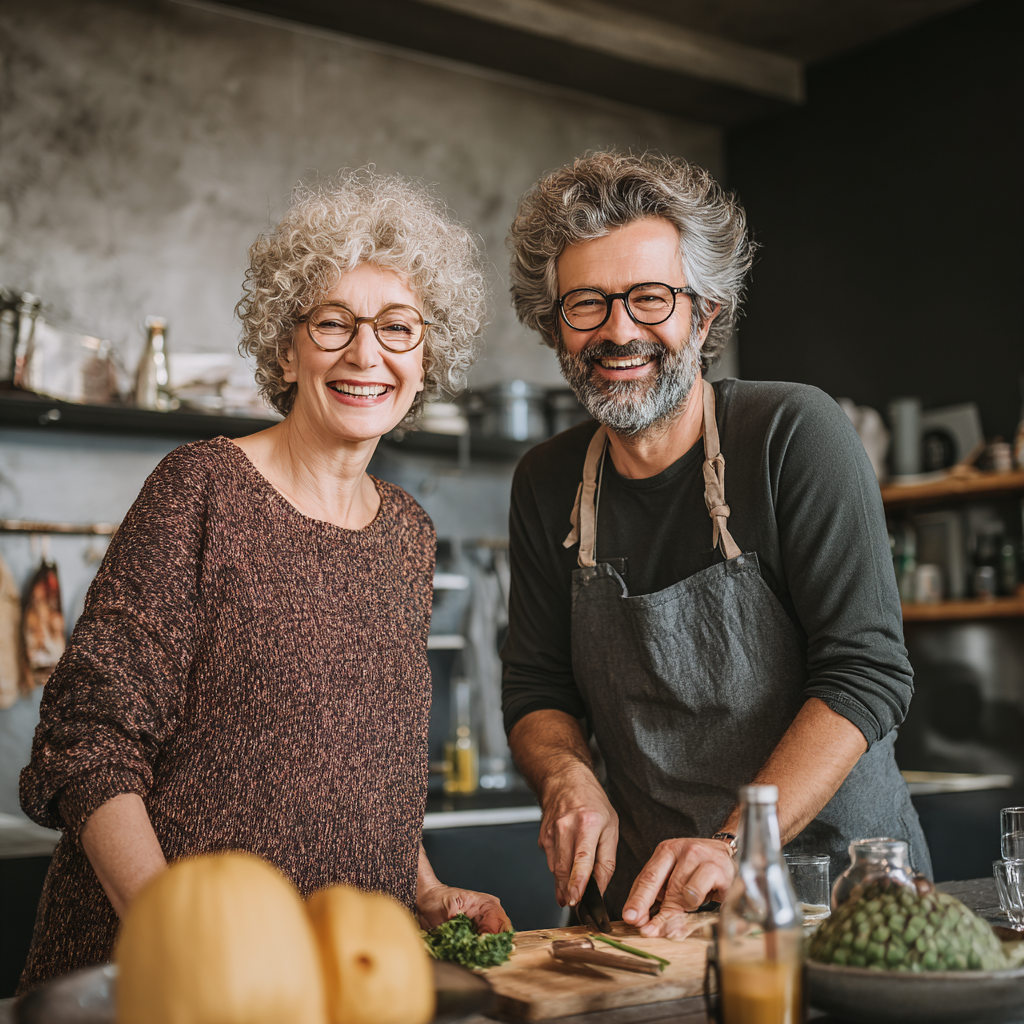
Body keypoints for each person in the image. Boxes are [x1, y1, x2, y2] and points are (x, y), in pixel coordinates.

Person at [19, 169, 508, 991]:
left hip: (326, 981)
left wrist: (423, 889)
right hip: (158, 977)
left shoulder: (408, 534)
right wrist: (170, 932)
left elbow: (365, 760)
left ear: (427, 361)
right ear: (286, 346)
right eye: (334, 323)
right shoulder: (201, 489)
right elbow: (86, 739)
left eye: (399, 329)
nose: (367, 354)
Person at [501, 151, 931, 938]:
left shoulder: (794, 434)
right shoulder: (545, 481)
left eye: (650, 299)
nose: (618, 330)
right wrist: (567, 775)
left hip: (833, 904)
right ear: (553, 324)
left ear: (704, 314)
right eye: (586, 304)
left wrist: (738, 846)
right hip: (650, 918)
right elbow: (536, 688)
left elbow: (866, 672)